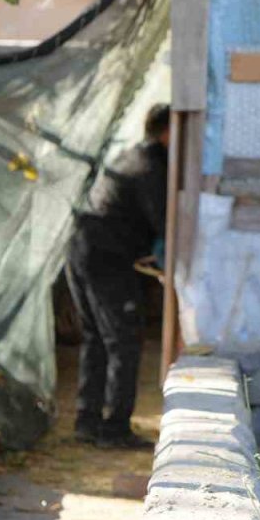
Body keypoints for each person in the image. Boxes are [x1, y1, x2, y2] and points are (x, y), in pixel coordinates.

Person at [65, 103, 170, 450]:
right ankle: (114, 430)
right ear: (168, 132)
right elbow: (164, 223)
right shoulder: (151, 167)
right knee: (124, 340)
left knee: (97, 337)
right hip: (105, 257)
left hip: (81, 248)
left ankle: (88, 421)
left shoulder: (131, 156)